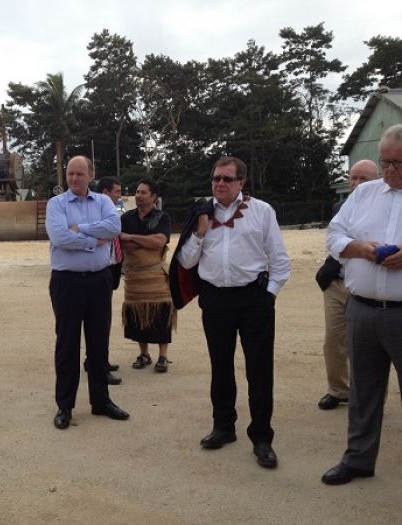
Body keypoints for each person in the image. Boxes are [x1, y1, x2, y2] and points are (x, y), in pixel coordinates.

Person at [176, 156, 290, 469]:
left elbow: (279, 260)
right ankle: (223, 427)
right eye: (216, 178)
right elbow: (186, 263)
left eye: (227, 179)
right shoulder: (201, 212)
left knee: (259, 370)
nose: (220, 184)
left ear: (241, 182)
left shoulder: (262, 211)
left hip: (254, 299)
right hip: (215, 300)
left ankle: (262, 436)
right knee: (220, 366)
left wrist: (268, 297)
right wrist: (199, 230)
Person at [321, 124, 402, 485]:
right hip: (362, 308)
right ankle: (358, 458)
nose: (390, 171)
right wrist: (358, 248)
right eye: (386, 162)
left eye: (398, 164)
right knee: (363, 392)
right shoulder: (364, 193)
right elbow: (334, 233)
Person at [46, 155, 129, 430]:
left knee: (98, 342)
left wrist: (80, 229)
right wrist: (96, 240)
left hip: (99, 281)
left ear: (90, 175)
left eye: (80, 174)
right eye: (70, 174)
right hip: (67, 283)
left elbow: (115, 228)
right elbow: (60, 238)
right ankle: (65, 406)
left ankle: (101, 400)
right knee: (67, 344)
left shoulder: (105, 202)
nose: (74, 179)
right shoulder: (56, 204)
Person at [315, 160, 379, 410]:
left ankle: (369, 397)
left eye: (363, 179)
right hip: (336, 283)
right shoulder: (339, 207)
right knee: (333, 340)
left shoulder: (388, 208)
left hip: (367, 287)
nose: (356, 184)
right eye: (353, 178)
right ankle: (338, 389)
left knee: (367, 346)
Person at [120, 178, 174, 373]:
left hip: (155, 276)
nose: (138, 196)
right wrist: (144, 241)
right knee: (136, 314)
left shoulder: (162, 217)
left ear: (154, 197)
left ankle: (163, 356)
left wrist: (131, 238)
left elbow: (160, 242)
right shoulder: (126, 218)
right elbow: (121, 243)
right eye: (137, 192)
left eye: (143, 192)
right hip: (134, 277)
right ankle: (144, 353)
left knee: (160, 312)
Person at [90, 176, 124, 385]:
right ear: (105, 192)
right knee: (99, 323)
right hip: (100, 268)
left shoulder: (112, 213)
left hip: (110, 269)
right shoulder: (97, 214)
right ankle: (98, 365)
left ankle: (97, 360)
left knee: (103, 321)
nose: (120, 196)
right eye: (117, 192)